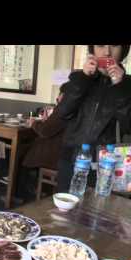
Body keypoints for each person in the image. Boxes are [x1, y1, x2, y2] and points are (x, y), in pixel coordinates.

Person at [55, 45, 131, 192]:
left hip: (107, 165)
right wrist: (83, 78)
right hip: (71, 160)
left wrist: (119, 86)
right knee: (63, 211)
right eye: (100, 45)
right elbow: (63, 113)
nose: (107, 52)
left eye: (114, 46)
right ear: (92, 49)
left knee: (98, 212)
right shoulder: (78, 78)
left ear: (123, 50)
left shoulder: (128, 85)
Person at [15, 82, 70, 200]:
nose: (58, 98)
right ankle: (39, 189)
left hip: (54, 153)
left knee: (20, 155)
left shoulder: (63, 110)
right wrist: (46, 121)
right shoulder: (75, 109)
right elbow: (52, 127)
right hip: (62, 152)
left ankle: (20, 194)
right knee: (26, 150)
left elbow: (45, 131)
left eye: (60, 95)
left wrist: (34, 123)